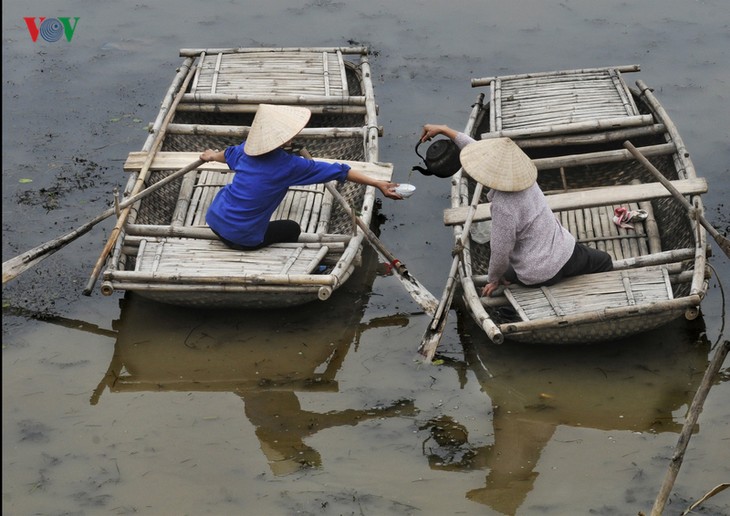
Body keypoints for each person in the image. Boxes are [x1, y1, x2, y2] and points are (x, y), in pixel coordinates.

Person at [420, 124, 613, 297]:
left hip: (540, 272)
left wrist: (493, 279)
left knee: (502, 272)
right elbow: (475, 150)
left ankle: (508, 295)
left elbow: (500, 252)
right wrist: (446, 130)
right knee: (604, 261)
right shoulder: (526, 177)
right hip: (566, 252)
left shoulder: (504, 206)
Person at [200, 104, 402, 250]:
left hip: (215, 221)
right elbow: (340, 171)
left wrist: (210, 156)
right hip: (242, 239)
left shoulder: (245, 151)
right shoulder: (290, 165)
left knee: (231, 195)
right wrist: (377, 183)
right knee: (292, 228)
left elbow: (225, 155)